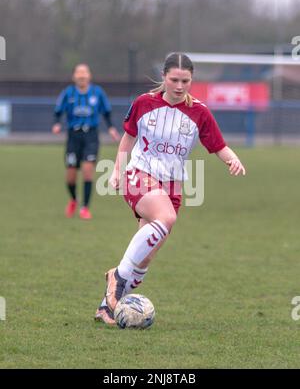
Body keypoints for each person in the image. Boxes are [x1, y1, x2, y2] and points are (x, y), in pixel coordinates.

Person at [94, 53, 246, 325]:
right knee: (167, 218)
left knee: (143, 262)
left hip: (172, 186)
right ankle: (116, 277)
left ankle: (107, 307)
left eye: (185, 80)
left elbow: (218, 146)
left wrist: (232, 159)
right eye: (174, 80)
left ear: (191, 80)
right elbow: (127, 140)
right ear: (163, 77)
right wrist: (117, 170)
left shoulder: (199, 111)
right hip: (139, 174)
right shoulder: (144, 103)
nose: (179, 86)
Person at [52, 63, 121, 220]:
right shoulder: (68, 93)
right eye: (79, 73)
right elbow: (58, 112)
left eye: (84, 73)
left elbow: (107, 112)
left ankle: (85, 208)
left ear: (89, 76)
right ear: (74, 76)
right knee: (70, 175)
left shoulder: (97, 93)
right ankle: (74, 200)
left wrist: (111, 128)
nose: (82, 76)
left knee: (88, 169)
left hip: (91, 136)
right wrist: (56, 124)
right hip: (73, 136)